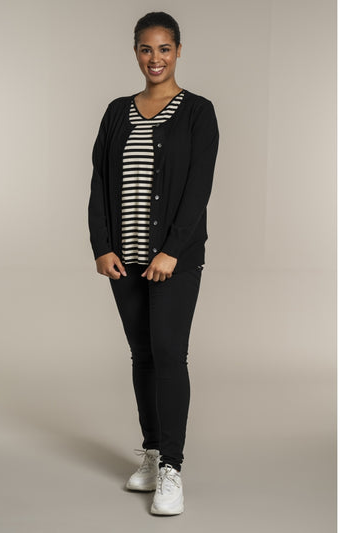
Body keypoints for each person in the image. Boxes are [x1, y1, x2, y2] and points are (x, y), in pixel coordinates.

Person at [87, 11, 219, 516]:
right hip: (125, 259)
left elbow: (198, 188)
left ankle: (172, 468)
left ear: (178, 50)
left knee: (168, 354)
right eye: (146, 48)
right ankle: (151, 451)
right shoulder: (117, 112)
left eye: (164, 48)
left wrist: (173, 251)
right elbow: (100, 181)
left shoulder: (198, 112)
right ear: (136, 52)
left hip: (173, 260)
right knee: (142, 356)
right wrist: (102, 245)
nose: (155, 58)